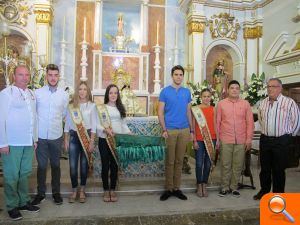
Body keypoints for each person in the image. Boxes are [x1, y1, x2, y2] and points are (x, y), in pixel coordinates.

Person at [0, 65, 40, 220]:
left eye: (27, 75)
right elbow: (1, 118)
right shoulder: (6, 93)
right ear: (14, 76)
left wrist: (34, 138)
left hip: (27, 141)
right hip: (12, 142)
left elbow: (34, 117)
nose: (24, 78)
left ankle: (23, 201)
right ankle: (11, 205)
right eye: (21, 75)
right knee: (11, 176)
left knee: (24, 173)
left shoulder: (31, 94)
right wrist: (2, 142)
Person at [253, 78, 300, 200]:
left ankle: (278, 194)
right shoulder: (263, 102)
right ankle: (264, 190)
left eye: (273, 86)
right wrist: (267, 132)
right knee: (265, 168)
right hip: (265, 140)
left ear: (280, 88)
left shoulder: (289, 103)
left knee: (278, 169)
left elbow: (296, 122)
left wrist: (288, 136)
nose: (270, 89)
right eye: (268, 86)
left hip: (281, 141)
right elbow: (261, 119)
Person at [32, 64, 69, 205]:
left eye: (55, 75)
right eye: (50, 75)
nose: (53, 78)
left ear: (58, 76)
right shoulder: (37, 93)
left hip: (56, 136)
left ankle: (56, 192)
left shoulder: (64, 95)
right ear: (46, 76)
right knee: (41, 166)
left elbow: (65, 115)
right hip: (41, 136)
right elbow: (33, 114)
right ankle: (40, 193)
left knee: (55, 165)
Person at [158, 65, 193, 201]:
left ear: (183, 76)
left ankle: (177, 188)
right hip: (170, 130)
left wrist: (191, 130)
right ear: (172, 76)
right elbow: (160, 112)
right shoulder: (165, 92)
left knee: (180, 161)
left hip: (184, 130)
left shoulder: (186, 92)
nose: (178, 77)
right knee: (170, 161)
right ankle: (168, 188)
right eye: (176, 74)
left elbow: (188, 112)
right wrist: (164, 129)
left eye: (180, 75)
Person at [216, 80, 254, 197]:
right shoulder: (221, 104)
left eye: (237, 88)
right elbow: (217, 122)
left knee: (238, 165)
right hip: (225, 138)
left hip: (241, 140)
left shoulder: (245, 104)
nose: (234, 90)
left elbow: (250, 123)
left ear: (239, 90)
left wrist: (248, 139)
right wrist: (217, 139)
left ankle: (234, 187)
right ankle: (224, 187)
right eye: (232, 88)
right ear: (228, 90)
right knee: (225, 164)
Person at [96, 84, 131, 202]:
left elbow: (123, 124)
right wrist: (105, 129)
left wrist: (129, 132)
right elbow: (96, 124)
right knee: (105, 165)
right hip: (104, 140)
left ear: (118, 95)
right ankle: (106, 190)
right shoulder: (101, 108)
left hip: (117, 140)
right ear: (107, 94)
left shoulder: (120, 107)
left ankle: (112, 189)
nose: (113, 95)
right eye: (111, 93)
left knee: (114, 165)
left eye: (115, 93)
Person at [64, 81, 97, 203]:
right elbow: (67, 124)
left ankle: (82, 189)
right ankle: (74, 190)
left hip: (86, 137)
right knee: (72, 166)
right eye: (80, 89)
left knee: (84, 166)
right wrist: (66, 139)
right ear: (77, 91)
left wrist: (92, 141)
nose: (82, 91)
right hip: (73, 137)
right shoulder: (71, 105)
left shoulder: (92, 106)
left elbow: (94, 125)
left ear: (88, 91)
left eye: (84, 89)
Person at [192, 88, 216, 197]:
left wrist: (218, 139)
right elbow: (193, 125)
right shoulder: (196, 110)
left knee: (208, 163)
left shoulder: (214, 109)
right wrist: (194, 140)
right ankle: (199, 184)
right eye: (204, 96)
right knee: (199, 163)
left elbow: (216, 125)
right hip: (199, 139)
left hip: (212, 139)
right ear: (201, 97)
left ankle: (204, 184)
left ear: (211, 97)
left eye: (208, 96)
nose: (206, 98)